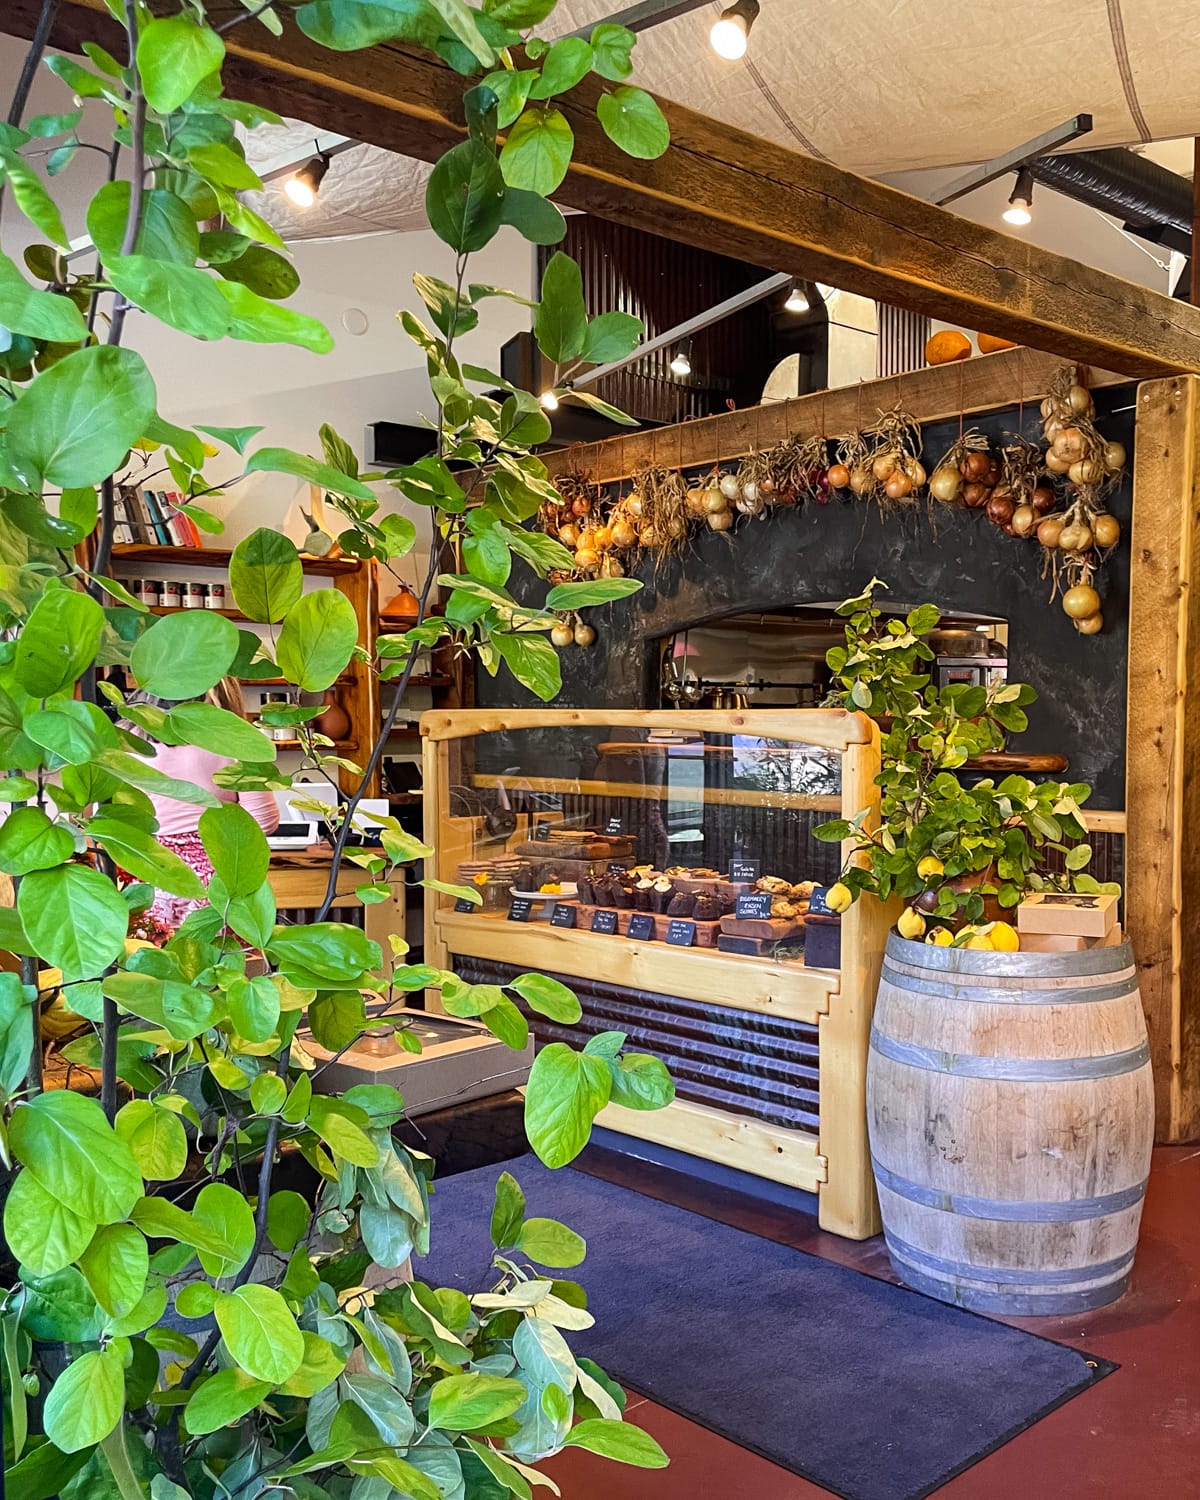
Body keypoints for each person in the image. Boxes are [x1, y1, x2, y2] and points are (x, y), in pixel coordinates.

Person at [130, 677, 279, 929]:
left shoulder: (129, 741)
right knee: (224, 963)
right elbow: (262, 823)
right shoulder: (237, 741)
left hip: (152, 878)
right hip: (220, 881)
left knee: (148, 962)